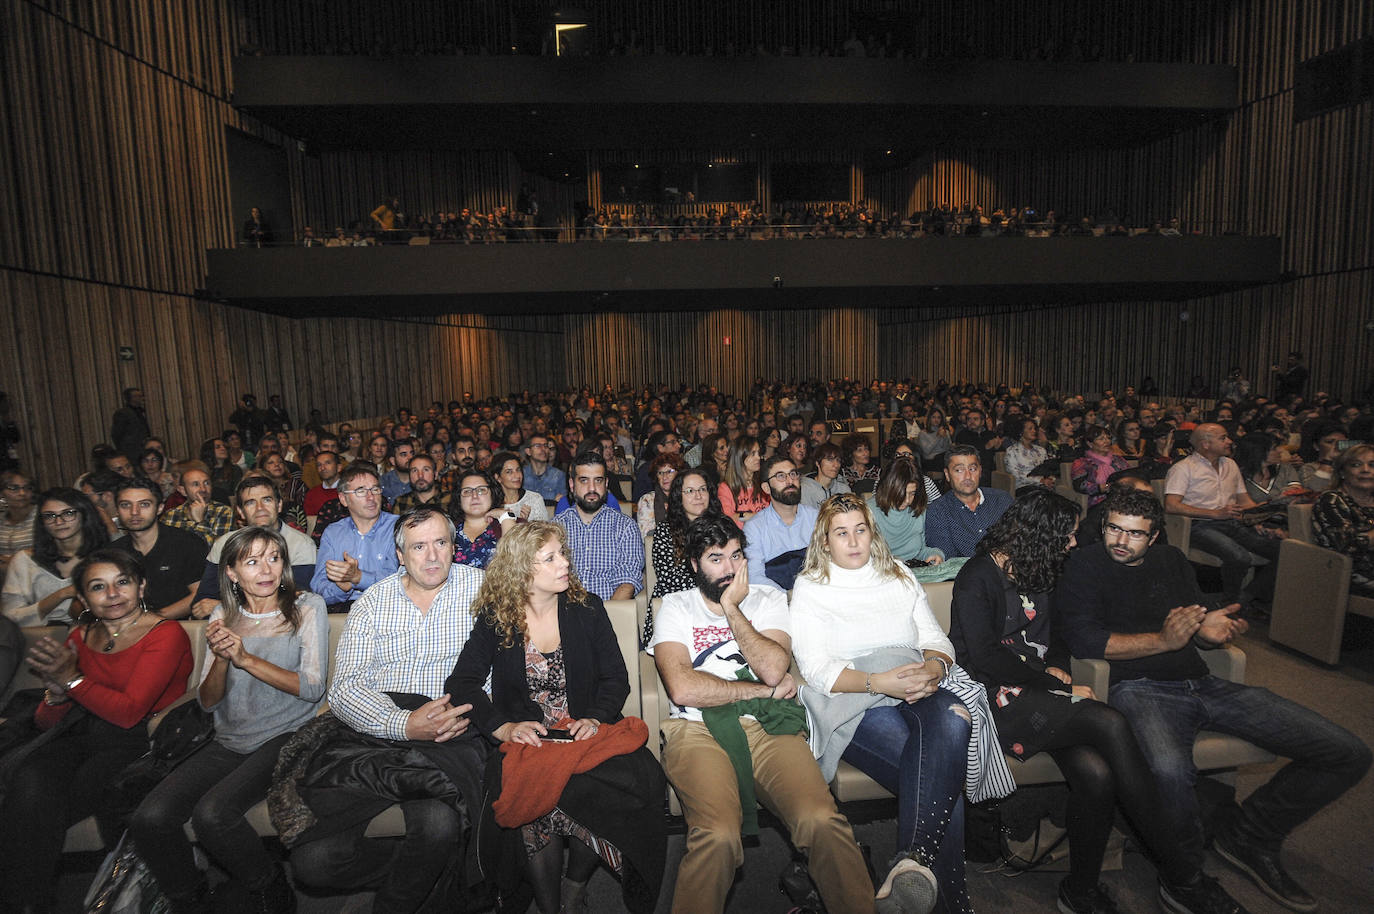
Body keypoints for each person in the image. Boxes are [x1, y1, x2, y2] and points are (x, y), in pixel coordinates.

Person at [1057, 488, 1370, 913]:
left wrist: (1207, 629)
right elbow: (1085, 639)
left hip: (1203, 683)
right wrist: (1163, 640)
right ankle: (1184, 879)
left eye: (1134, 534)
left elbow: (1196, 615)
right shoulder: (1084, 564)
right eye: (1114, 528)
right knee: (1170, 772)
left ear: (1154, 537)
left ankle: (1250, 834)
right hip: (1140, 689)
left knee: (1347, 752)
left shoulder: (1172, 561)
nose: (1120, 540)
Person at [948, 491, 1230, 914]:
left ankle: (1080, 892)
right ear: (1040, 535)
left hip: (1037, 688)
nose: (1074, 544)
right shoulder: (978, 576)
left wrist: (1059, 667)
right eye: (1067, 535)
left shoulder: (1040, 566)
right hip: (993, 697)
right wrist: (1053, 685)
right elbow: (984, 659)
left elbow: (1058, 635)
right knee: (1111, 723)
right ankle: (1182, 873)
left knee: (1096, 775)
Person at [647, 515, 878, 914]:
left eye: (736, 556)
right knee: (717, 836)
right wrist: (761, 691)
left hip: (767, 727)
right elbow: (683, 688)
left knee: (821, 821)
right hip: (696, 730)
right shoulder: (676, 606)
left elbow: (773, 667)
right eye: (716, 559)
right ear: (693, 565)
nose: (730, 569)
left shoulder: (768, 599)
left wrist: (733, 609)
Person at [790, 493, 1005, 914]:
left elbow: (935, 640)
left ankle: (911, 865)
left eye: (860, 530)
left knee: (955, 717)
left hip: (914, 681)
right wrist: (879, 682)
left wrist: (935, 669)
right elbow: (816, 670)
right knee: (943, 786)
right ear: (825, 540)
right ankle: (949, 903)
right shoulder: (812, 587)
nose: (853, 541)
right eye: (841, 533)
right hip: (856, 700)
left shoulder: (899, 575)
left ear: (872, 533)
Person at [446, 521, 666, 913]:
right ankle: (550, 907)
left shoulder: (587, 609)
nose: (565, 562)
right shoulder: (499, 619)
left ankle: (574, 887)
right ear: (523, 570)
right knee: (532, 796)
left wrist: (597, 718)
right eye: (551, 558)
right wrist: (504, 727)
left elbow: (616, 678)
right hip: (530, 742)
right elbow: (463, 682)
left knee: (631, 781)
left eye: (562, 553)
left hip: (584, 734)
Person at [286, 506, 487, 912]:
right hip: (375, 733)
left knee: (437, 824)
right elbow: (344, 689)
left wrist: (468, 711)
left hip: (452, 732)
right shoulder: (372, 603)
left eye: (441, 543)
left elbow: (507, 668)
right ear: (400, 555)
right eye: (418, 546)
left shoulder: (484, 590)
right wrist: (403, 724)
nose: (432, 556)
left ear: (454, 547)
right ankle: (431, 873)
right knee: (314, 862)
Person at [129, 527, 329, 913]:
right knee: (149, 817)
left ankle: (270, 888)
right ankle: (190, 896)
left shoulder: (306, 606)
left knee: (213, 814)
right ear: (233, 573)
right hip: (228, 738)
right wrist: (221, 658)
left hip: (286, 735)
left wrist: (245, 658)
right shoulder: (223, 614)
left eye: (274, 557)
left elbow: (311, 688)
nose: (267, 569)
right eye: (252, 561)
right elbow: (207, 701)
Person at [0, 549, 193, 912]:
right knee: (29, 779)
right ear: (84, 598)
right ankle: (26, 902)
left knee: (46, 802)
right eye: (98, 587)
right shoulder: (81, 634)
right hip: (82, 733)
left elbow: (128, 713)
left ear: (141, 586)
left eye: (123, 582)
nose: (113, 594)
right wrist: (56, 695)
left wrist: (71, 680)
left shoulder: (165, 634)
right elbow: (47, 722)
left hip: (140, 739)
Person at [1164, 423, 1282, 609]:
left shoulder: (1231, 465)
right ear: (1205, 444)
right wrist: (1214, 514)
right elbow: (1171, 505)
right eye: (1223, 438)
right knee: (1239, 556)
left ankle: (1246, 597)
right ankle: (1230, 600)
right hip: (1198, 525)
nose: (1229, 441)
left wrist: (1261, 516)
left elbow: (1245, 502)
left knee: (1284, 551)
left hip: (1232, 522)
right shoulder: (1184, 468)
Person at [190, 475, 317, 617]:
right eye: (250, 503)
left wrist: (225, 607)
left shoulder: (301, 544)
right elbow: (202, 603)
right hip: (229, 626)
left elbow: (296, 600)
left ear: (279, 505)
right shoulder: (224, 545)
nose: (260, 508)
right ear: (240, 511)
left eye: (267, 500)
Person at [3, 487, 110, 626]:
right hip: (39, 639)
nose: (59, 522)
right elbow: (10, 616)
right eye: (50, 516)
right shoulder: (24, 560)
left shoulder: (106, 557)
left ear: (84, 514)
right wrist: (62, 594)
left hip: (94, 636)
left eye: (68, 513)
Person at [109, 476, 209, 619]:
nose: (134, 512)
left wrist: (148, 621)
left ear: (160, 508)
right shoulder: (113, 553)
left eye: (144, 504)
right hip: (125, 628)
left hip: (180, 626)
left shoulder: (186, 543)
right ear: (117, 510)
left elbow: (200, 594)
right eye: (125, 505)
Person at [311, 462, 399, 611]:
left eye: (375, 489)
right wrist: (342, 587)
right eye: (361, 491)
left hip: (388, 607)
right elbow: (318, 586)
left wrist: (358, 577)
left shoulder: (398, 527)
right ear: (344, 499)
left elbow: (402, 581)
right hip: (343, 609)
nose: (371, 497)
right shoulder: (333, 532)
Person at [554, 453, 643, 601]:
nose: (592, 488)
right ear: (572, 485)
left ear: (606, 484)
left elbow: (627, 582)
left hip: (609, 610)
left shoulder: (625, 527)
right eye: (584, 481)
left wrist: (606, 618)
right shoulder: (555, 528)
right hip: (565, 613)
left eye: (598, 481)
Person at [743, 456, 818, 591]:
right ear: (766, 488)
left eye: (793, 474)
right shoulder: (755, 528)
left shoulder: (816, 518)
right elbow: (754, 577)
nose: (790, 481)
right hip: (778, 602)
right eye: (781, 476)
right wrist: (788, 596)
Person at [924, 446, 1014, 558]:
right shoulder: (938, 512)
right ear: (947, 475)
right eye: (959, 470)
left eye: (972, 469)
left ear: (980, 471)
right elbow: (947, 562)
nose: (967, 476)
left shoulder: (1002, 500)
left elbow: (1019, 541)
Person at [1311, 443, 1374, 596]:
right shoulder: (1331, 501)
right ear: (1343, 472)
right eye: (1356, 465)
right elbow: (1349, 546)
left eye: (1372, 465)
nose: (1366, 470)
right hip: (1350, 575)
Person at [867, 458, 944, 565]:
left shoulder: (917, 509)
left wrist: (935, 554)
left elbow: (920, 551)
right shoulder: (868, 512)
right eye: (901, 494)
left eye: (912, 493)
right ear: (888, 488)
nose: (907, 500)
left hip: (913, 569)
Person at [452, 469, 514, 570]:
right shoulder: (447, 529)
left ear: (492, 494)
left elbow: (517, 561)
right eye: (467, 491)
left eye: (481, 490)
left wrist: (504, 516)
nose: (474, 496)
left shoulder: (509, 523)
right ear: (459, 498)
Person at [159, 463, 235, 545]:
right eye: (196, 484)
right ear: (183, 491)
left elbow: (219, 550)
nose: (203, 489)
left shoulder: (223, 511)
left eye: (207, 483)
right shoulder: (171, 515)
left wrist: (200, 522)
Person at [1072, 425, 1129, 507]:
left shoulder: (1118, 459)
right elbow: (1080, 485)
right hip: (1099, 502)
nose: (1107, 442)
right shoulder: (1082, 462)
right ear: (1090, 443)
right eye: (1101, 439)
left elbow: (1130, 475)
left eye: (1108, 438)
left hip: (1123, 498)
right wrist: (1101, 487)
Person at [719, 435, 769, 522]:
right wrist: (752, 516)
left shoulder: (764, 483)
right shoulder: (726, 488)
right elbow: (728, 518)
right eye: (752, 454)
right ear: (740, 457)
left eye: (758, 453)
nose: (758, 458)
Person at [492, 450, 548, 522]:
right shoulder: (491, 504)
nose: (517, 475)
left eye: (518, 470)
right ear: (498, 477)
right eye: (509, 472)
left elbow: (544, 532)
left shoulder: (534, 499)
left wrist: (524, 523)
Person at [636, 452, 684, 536]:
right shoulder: (647, 500)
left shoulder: (688, 496)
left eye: (669, 472)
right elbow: (646, 536)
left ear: (679, 473)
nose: (664, 477)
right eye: (660, 473)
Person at [0, 470, 37, 579]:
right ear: (2, 493)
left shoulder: (42, 515)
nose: (22, 493)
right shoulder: (1, 519)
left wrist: (14, 560)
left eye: (27, 488)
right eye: (14, 488)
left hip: (34, 574)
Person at [1003, 418, 1056, 490]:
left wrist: (1050, 479)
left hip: (1044, 486)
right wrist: (1039, 480)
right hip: (1025, 487)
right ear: (1021, 431)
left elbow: (1048, 469)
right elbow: (1016, 475)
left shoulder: (1041, 450)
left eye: (1034, 429)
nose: (1034, 431)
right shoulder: (1012, 451)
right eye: (1030, 429)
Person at [802, 441, 853, 507]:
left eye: (838, 460)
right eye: (830, 459)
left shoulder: (844, 489)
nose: (836, 465)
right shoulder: (805, 488)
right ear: (817, 463)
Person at [110, 386, 152, 461]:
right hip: (131, 452)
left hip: (142, 450)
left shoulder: (139, 412)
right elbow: (117, 434)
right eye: (139, 396)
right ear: (132, 398)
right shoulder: (122, 413)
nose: (142, 398)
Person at [523, 433, 567, 503]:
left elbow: (562, 504)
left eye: (545, 446)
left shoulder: (558, 475)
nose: (543, 449)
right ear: (528, 451)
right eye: (538, 446)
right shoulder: (521, 475)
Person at [200, 436, 243, 503]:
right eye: (218, 447)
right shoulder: (202, 471)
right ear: (209, 451)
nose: (223, 449)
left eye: (224, 447)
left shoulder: (235, 469)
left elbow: (237, 493)